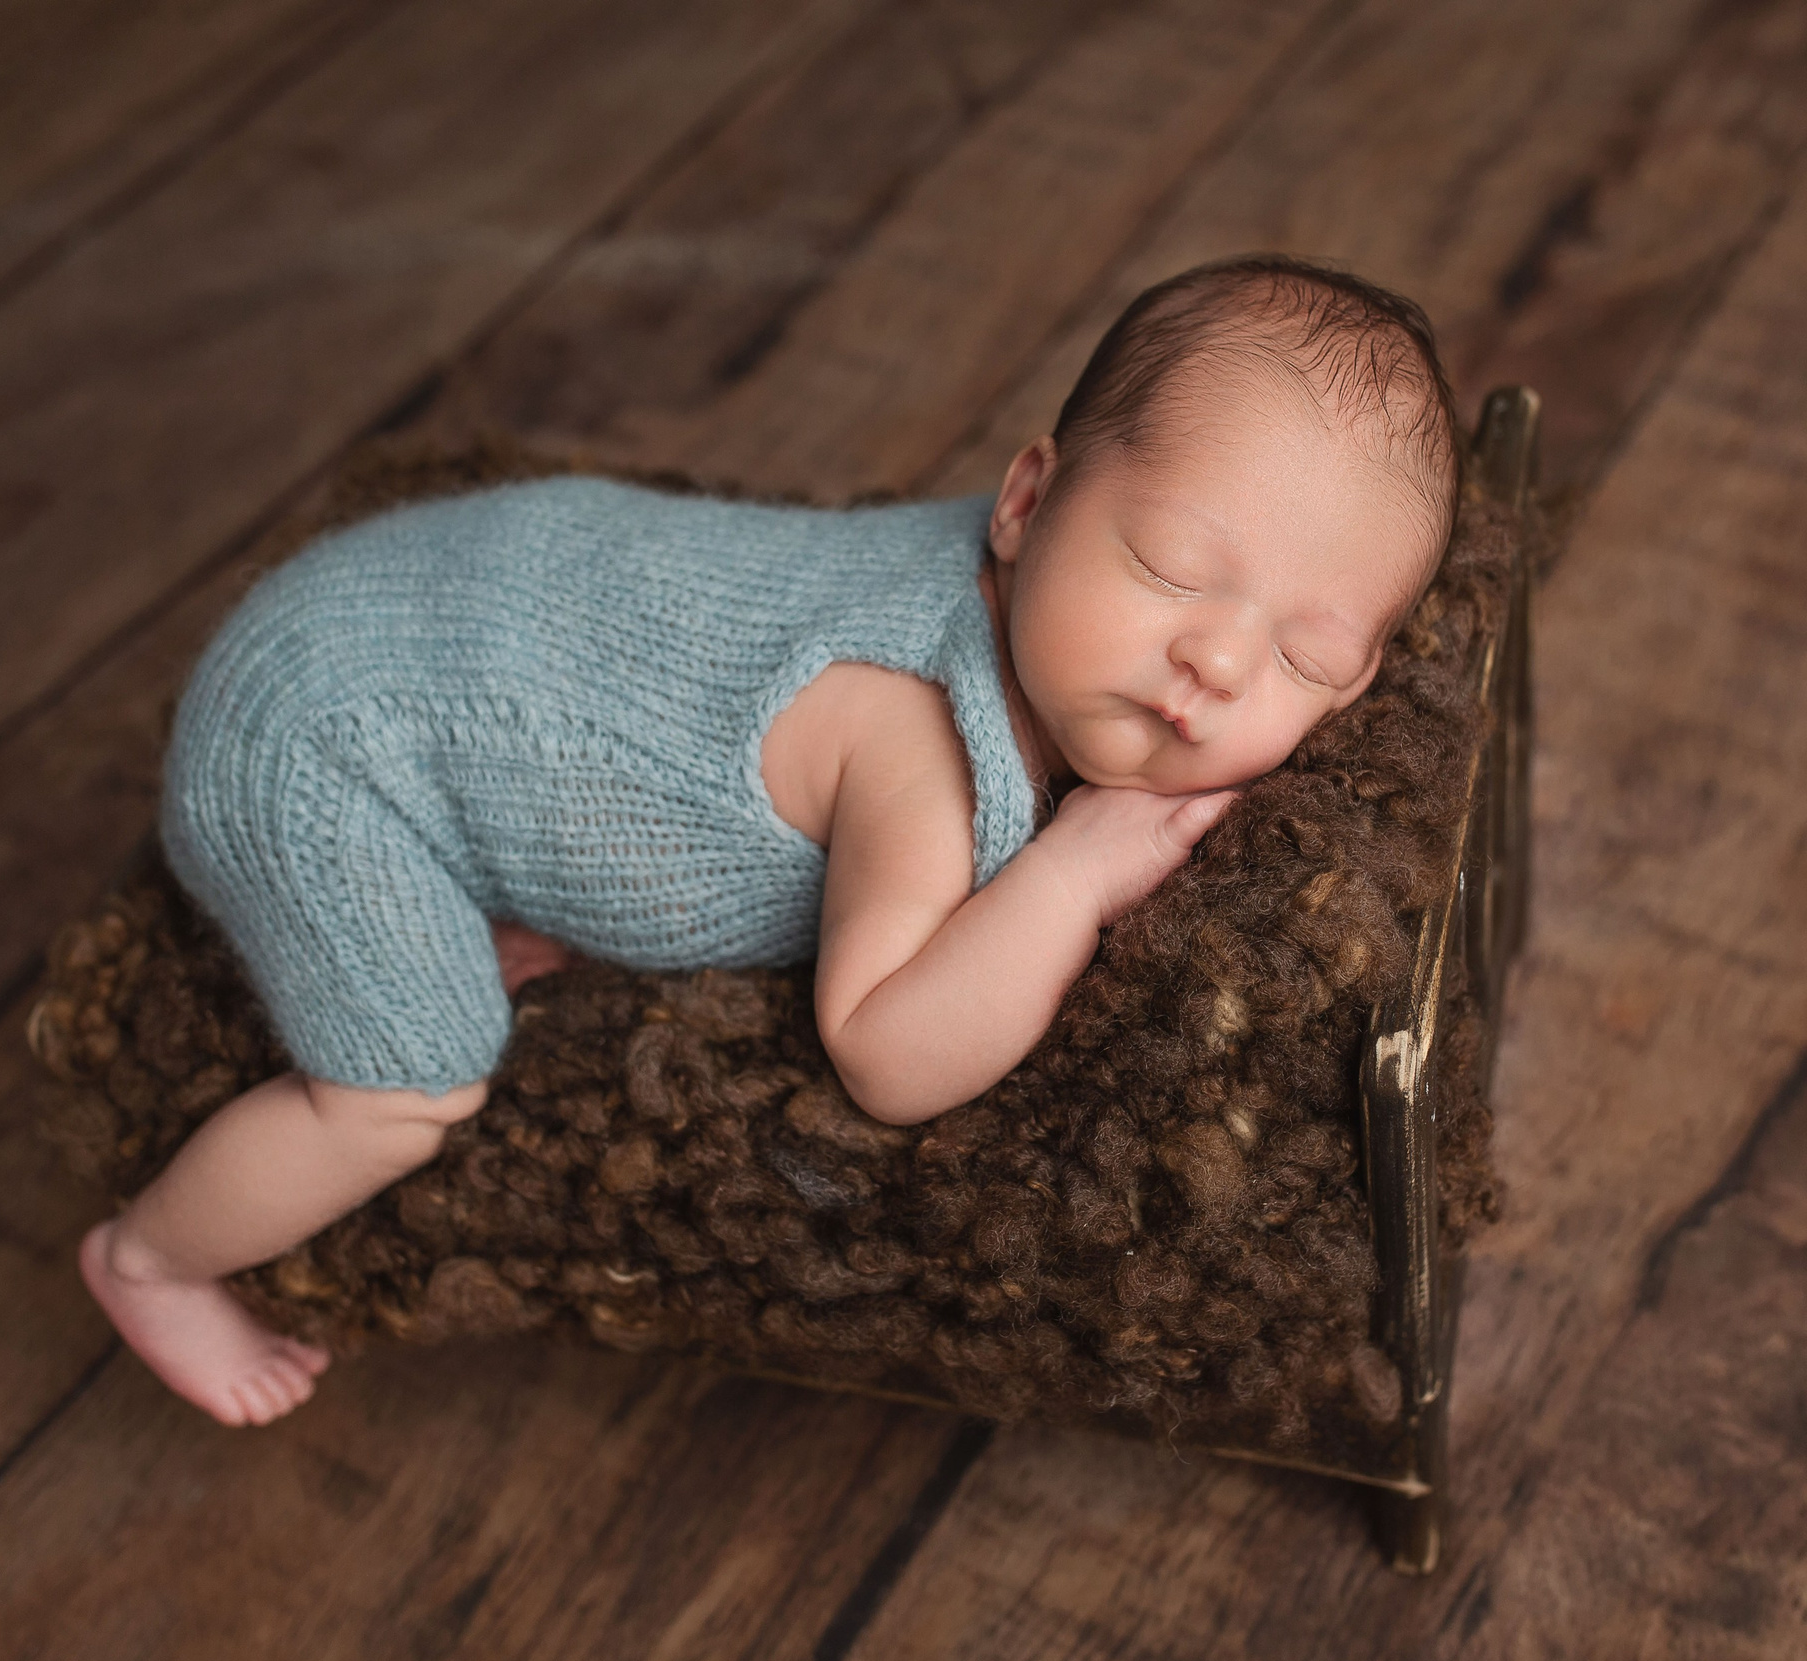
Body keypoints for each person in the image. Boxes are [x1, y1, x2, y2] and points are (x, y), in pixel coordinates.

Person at [79, 254, 1463, 1427]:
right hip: (319, 738)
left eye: (1305, 651)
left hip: (434, 627)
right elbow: (887, 1053)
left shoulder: (1015, 607)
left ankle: (487, 863)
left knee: (523, 837)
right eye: (1169, 567)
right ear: (1026, 502)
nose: (1219, 659)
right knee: (404, 1085)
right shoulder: (918, 736)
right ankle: (149, 1257)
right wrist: (1076, 869)